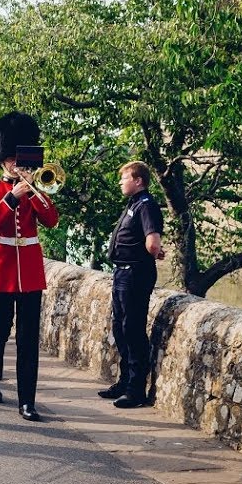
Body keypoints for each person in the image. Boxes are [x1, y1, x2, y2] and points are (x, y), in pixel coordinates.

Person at [0, 111, 60, 422]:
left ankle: (27, 400)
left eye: (19, 159)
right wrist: (12, 197)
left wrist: (34, 191)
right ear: (2, 160)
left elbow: (51, 220)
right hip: (1, 269)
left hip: (30, 272)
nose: (16, 164)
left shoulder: (36, 189)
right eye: (11, 159)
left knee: (28, 339)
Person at [100, 160, 167, 408]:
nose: (120, 182)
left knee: (133, 329)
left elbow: (153, 242)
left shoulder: (147, 205)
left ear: (138, 181)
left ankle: (136, 390)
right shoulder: (134, 203)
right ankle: (125, 381)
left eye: (125, 178)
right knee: (120, 327)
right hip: (123, 273)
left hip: (136, 274)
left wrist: (154, 250)